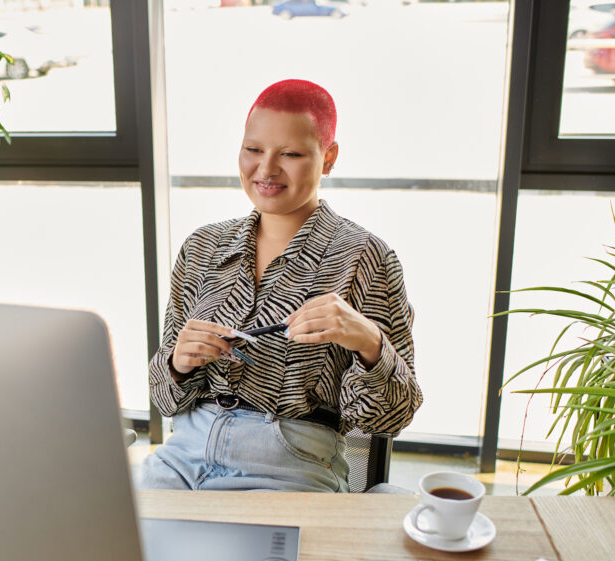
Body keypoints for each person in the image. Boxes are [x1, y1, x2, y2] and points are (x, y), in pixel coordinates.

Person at [137, 79, 422, 493]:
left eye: (289, 154)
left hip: (290, 464)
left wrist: (370, 342)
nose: (266, 170)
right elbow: (166, 401)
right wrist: (179, 365)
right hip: (181, 457)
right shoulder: (202, 247)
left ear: (329, 158)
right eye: (253, 150)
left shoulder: (366, 258)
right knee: (107, 543)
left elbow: (392, 417)